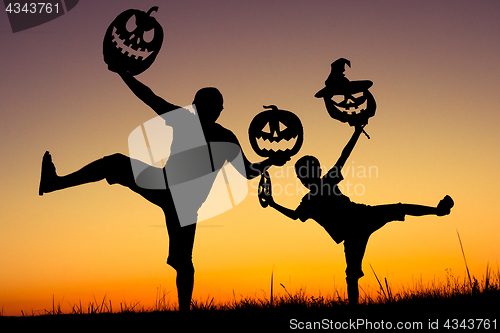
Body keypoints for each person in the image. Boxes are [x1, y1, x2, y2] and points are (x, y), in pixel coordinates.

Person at [39, 69, 288, 311]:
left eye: (208, 106)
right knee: (114, 163)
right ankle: (55, 183)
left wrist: (270, 162)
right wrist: (124, 74)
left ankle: (184, 312)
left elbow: (245, 172)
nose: (204, 110)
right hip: (167, 188)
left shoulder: (219, 134)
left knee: (184, 262)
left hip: (179, 200)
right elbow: (150, 97)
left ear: (211, 108)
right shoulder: (204, 128)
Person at [258, 122, 454, 305]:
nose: (303, 178)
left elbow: (295, 215)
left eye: (303, 174)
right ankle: (438, 211)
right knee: (398, 210)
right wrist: (356, 132)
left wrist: (273, 204)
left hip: (357, 223)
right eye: (303, 174)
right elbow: (343, 157)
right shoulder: (316, 193)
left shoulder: (313, 197)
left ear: (309, 174)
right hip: (358, 224)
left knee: (353, 273)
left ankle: (438, 211)